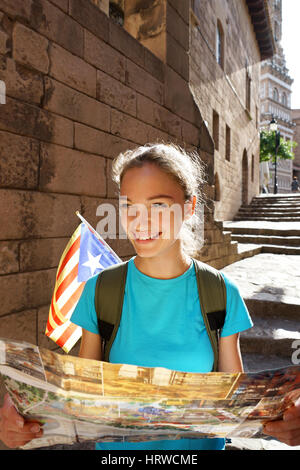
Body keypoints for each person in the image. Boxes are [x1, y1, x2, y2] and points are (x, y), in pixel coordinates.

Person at [1, 143, 300, 449]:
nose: (139, 222)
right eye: (129, 205)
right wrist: (26, 413)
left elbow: (238, 407)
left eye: (158, 205)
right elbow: (83, 398)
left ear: (189, 207)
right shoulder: (100, 290)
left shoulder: (221, 293)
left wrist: (285, 420)